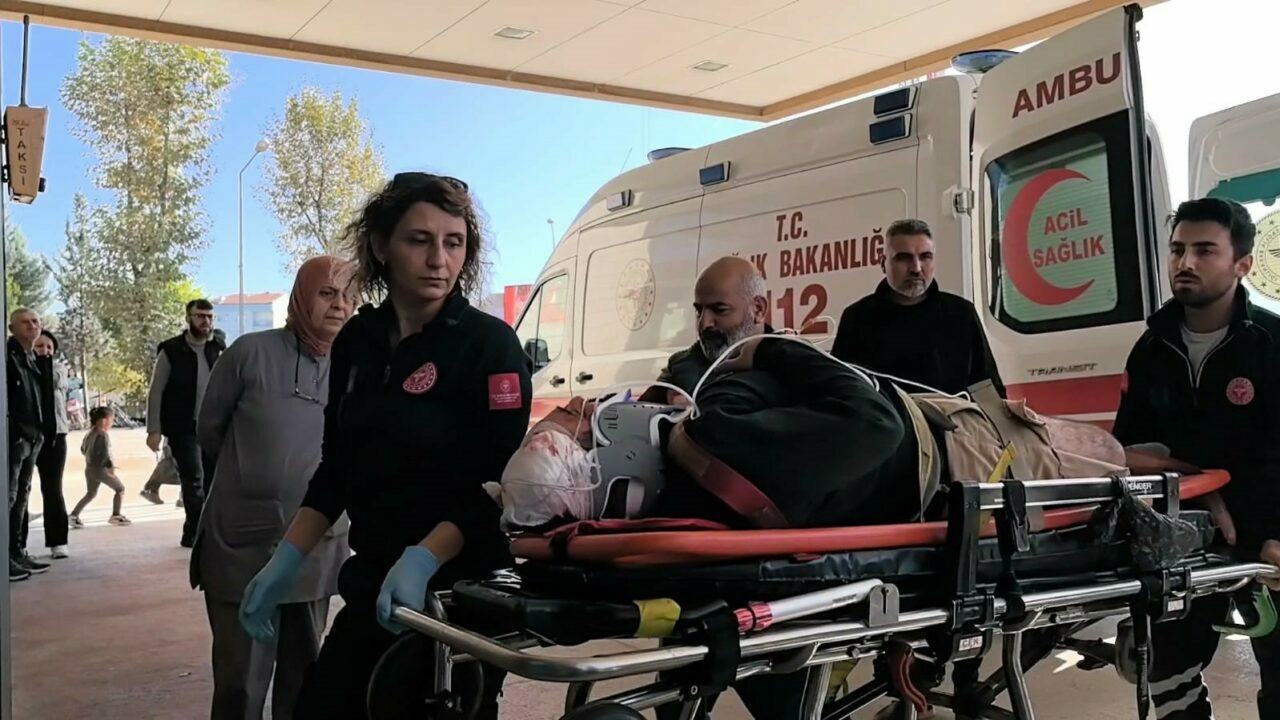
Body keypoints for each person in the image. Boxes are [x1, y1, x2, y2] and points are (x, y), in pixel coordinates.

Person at [237, 173, 532, 719]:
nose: (439, 260)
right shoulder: (358, 342)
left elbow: (498, 479)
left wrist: (424, 557)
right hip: (374, 580)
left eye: (454, 242)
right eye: (419, 240)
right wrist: (284, 560)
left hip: (461, 595)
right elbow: (337, 467)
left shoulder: (490, 345)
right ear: (380, 245)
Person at [1112, 198, 1280, 719]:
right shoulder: (1151, 348)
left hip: (1268, 540)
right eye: (1178, 249)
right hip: (1180, 539)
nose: (1185, 262)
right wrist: (1201, 487)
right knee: (1170, 678)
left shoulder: (1271, 343)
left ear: (1242, 264)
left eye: (1205, 250)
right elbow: (1127, 453)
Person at [193, 255, 355, 720]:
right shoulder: (248, 353)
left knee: (304, 677)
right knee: (239, 685)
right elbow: (210, 430)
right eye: (327, 293)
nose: (340, 305)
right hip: (242, 546)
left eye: (349, 296)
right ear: (301, 297)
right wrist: (261, 477)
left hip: (316, 548)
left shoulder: (357, 366)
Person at [831, 219, 1005, 396]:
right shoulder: (857, 318)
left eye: (925, 257)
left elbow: (987, 387)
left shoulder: (961, 314)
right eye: (903, 258)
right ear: (883, 264)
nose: (916, 268)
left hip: (953, 414)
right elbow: (840, 390)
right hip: (883, 415)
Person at [145, 298, 225, 547]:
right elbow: (156, 391)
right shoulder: (171, 350)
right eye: (200, 316)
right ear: (188, 318)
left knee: (213, 481)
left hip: (215, 426)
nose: (205, 321)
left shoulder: (218, 347)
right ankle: (198, 535)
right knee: (194, 480)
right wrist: (154, 429)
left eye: (209, 316)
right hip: (183, 427)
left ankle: (196, 530)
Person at [639, 256, 771, 404]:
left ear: (758, 309)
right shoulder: (681, 367)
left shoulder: (786, 363)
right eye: (699, 311)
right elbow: (634, 413)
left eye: (719, 310)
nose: (704, 323)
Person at [7, 308, 50, 581]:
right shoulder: (7, 357)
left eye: (35, 321)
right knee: (9, 497)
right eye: (25, 322)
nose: (32, 326)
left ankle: (17, 551)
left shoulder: (31, 358)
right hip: (15, 439)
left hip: (33, 437)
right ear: (12, 328)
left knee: (21, 497)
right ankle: (6, 559)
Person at [33, 330, 70, 559]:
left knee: (53, 489)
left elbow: (54, 382)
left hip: (56, 435)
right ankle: (17, 545)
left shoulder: (59, 369)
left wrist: (42, 364)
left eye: (49, 347)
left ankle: (58, 541)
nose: (44, 351)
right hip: (27, 434)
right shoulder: (20, 368)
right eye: (39, 346)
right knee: (19, 490)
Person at [70, 406, 131, 528]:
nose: (112, 424)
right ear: (103, 421)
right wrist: (110, 468)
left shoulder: (89, 434)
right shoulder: (103, 435)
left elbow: (82, 450)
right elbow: (106, 453)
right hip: (101, 470)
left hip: (89, 469)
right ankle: (116, 515)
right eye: (111, 420)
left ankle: (73, 516)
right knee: (120, 489)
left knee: (91, 493)